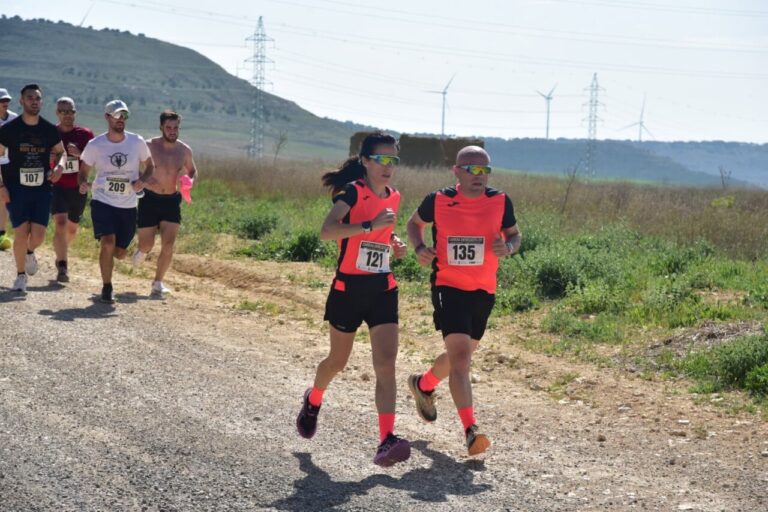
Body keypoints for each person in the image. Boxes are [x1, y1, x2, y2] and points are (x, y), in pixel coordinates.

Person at [295, 132, 411, 467]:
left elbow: (381, 233)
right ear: (365, 161)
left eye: (394, 160)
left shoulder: (395, 195)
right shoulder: (352, 192)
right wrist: (368, 224)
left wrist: (394, 243)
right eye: (382, 160)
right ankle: (314, 399)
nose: (388, 167)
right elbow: (328, 231)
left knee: (386, 364)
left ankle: (386, 440)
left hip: (382, 288)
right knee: (337, 362)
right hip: (349, 289)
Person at [405, 145, 521, 456]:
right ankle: (471, 429)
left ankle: (424, 385)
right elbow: (413, 225)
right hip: (448, 286)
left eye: (484, 170)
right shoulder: (438, 200)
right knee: (461, 360)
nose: (478, 176)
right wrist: (419, 248)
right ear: (456, 172)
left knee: (462, 356)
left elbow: (514, 234)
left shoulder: (500, 201)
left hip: (483, 290)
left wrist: (508, 247)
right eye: (471, 169)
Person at [78, 100, 154, 304]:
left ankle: (112, 261)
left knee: (120, 253)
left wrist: (143, 181)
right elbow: (83, 171)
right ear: (107, 117)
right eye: (117, 115)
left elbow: (150, 166)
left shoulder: (136, 142)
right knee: (107, 243)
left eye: (125, 116)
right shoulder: (96, 145)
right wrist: (83, 183)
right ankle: (107, 287)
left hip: (128, 205)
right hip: (102, 200)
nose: (121, 120)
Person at [0, 84, 67, 292]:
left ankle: (30, 251)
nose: (34, 101)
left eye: (37, 98)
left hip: (41, 189)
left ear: (41, 101)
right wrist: (1, 185)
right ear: (21, 102)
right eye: (30, 98)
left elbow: (61, 152)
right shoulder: (9, 130)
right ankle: (20, 276)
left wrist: (60, 167)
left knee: (37, 236)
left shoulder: (48, 129)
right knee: (21, 232)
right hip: (16, 187)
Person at [131, 110, 198, 296]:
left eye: (176, 127)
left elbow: (192, 170)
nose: (172, 131)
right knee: (147, 244)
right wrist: (143, 178)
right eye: (168, 127)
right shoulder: (148, 145)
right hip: (150, 200)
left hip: (171, 200)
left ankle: (158, 282)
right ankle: (142, 251)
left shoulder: (184, 150)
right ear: (161, 127)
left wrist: (188, 181)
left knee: (168, 245)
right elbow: (132, 166)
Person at [52, 97, 94, 282]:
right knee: (60, 223)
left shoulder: (85, 134)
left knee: (71, 229)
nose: (68, 115)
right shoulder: (50, 133)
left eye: (71, 111)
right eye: (63, 111)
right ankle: (63, 265)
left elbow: (94, 159)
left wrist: (80, 154)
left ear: (75, 113)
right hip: (57, 185)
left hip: (78, 187)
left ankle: (61, 252)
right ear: (57, 113)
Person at [0, 87, 19, 251]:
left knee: (4, 198)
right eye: (2, 101)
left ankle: (1, 235)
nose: (5, 103)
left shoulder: (14, 119)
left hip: (8, 164)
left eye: (7, 100)